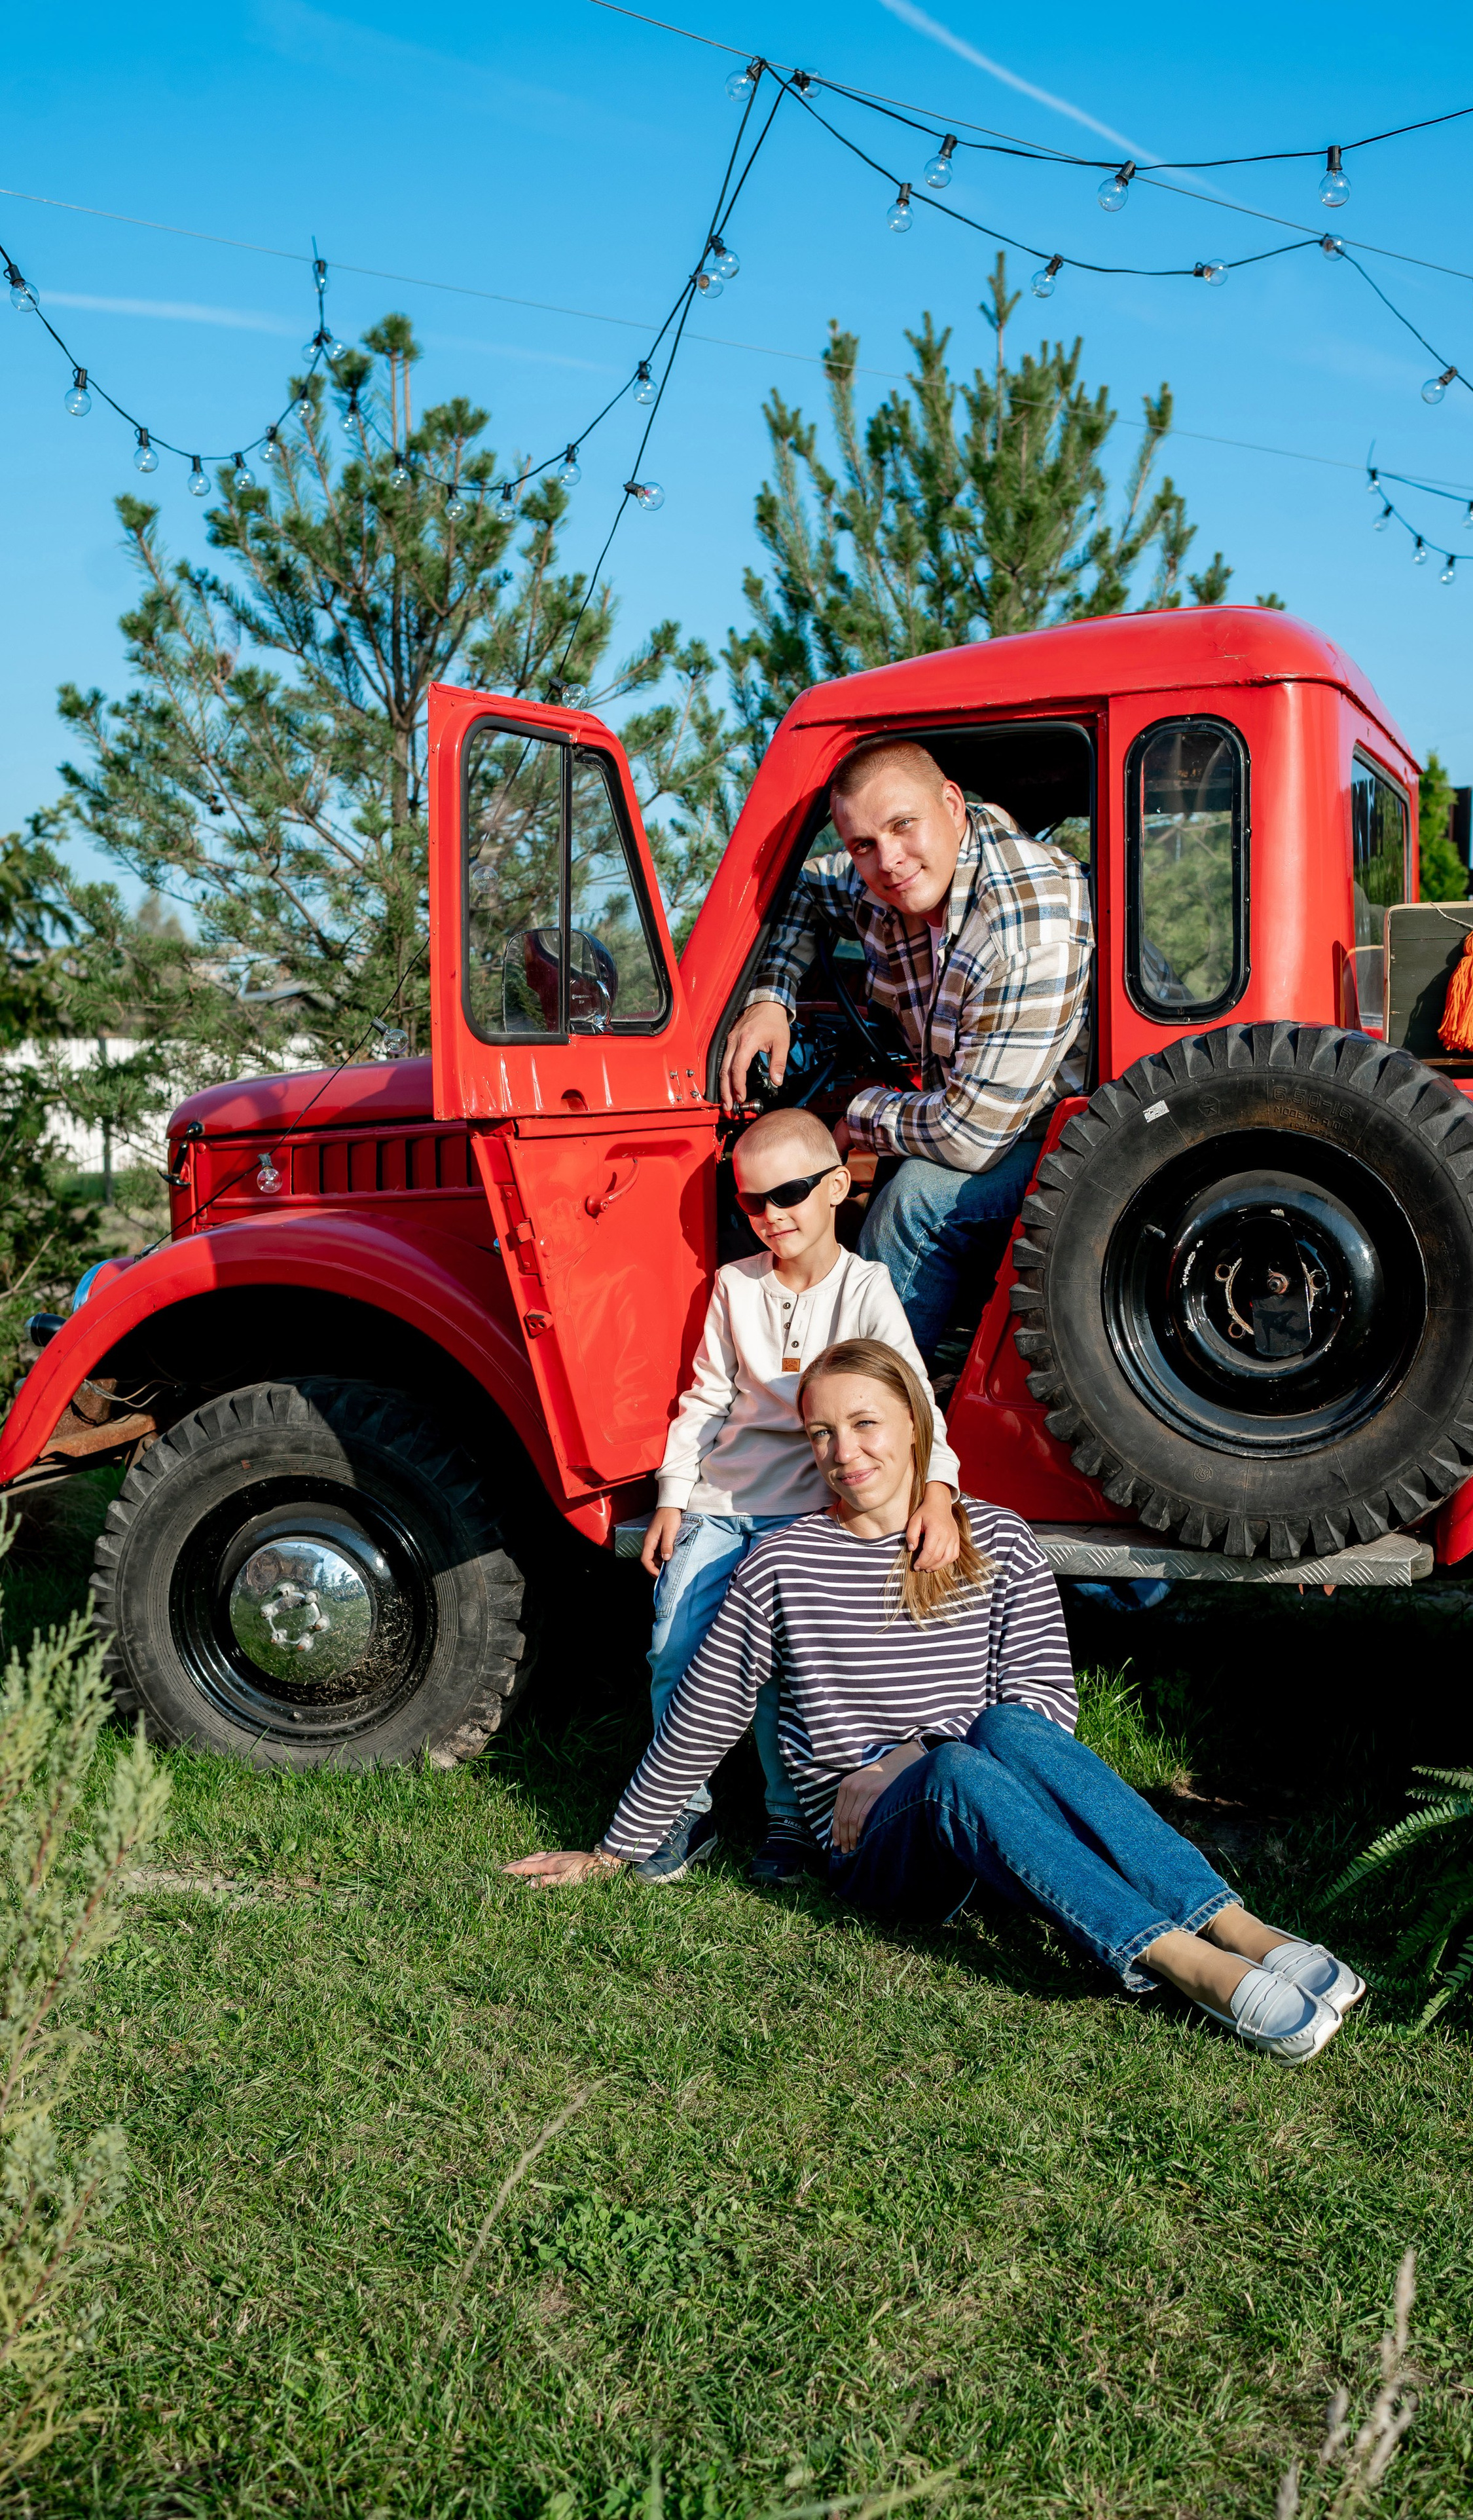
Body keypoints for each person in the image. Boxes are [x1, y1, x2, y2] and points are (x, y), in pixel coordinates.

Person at [507, 1340, 1363, 2065]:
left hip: (993, 1814)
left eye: (865, 1423)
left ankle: (1245, 1930)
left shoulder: (997, 1539)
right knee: (961, 1758)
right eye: (822, 1434)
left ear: (915, 1423)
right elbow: (704, 1717)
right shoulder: (782, 1566)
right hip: (875, 1853)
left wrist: (901, 1757)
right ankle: (1187, 1964)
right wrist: (615, 1851)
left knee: (996, 1730)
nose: (846, 1453)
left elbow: (1043, 1710)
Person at [630, 1109, 962, 1889]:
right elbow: (706, 1397)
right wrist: (675, 1496)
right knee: (672, 1642)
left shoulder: (867, 1288)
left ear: (839, 1187)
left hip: (811, 1510)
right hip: (725, 1497)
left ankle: (790, 1815)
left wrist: (939, 1490)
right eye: (751, 1200)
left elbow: (913, 1401)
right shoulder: (734, 1285)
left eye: (789, 1192)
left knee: (790, 1663)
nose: (771, 1214)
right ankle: (682, 1807)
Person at [718, 738, 1093, 1363]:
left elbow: (973, 1137)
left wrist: (853, 1117)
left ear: (951, 805)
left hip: (1090, 1143)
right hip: (995, 1113)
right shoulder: (892, 881)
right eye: (862, 843)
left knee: (915, 1197)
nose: (888, 860)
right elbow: (805, 889)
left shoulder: (1023, 923)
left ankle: (865, 1407)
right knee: (893, 1168)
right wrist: (770, 997)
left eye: (902, 825)